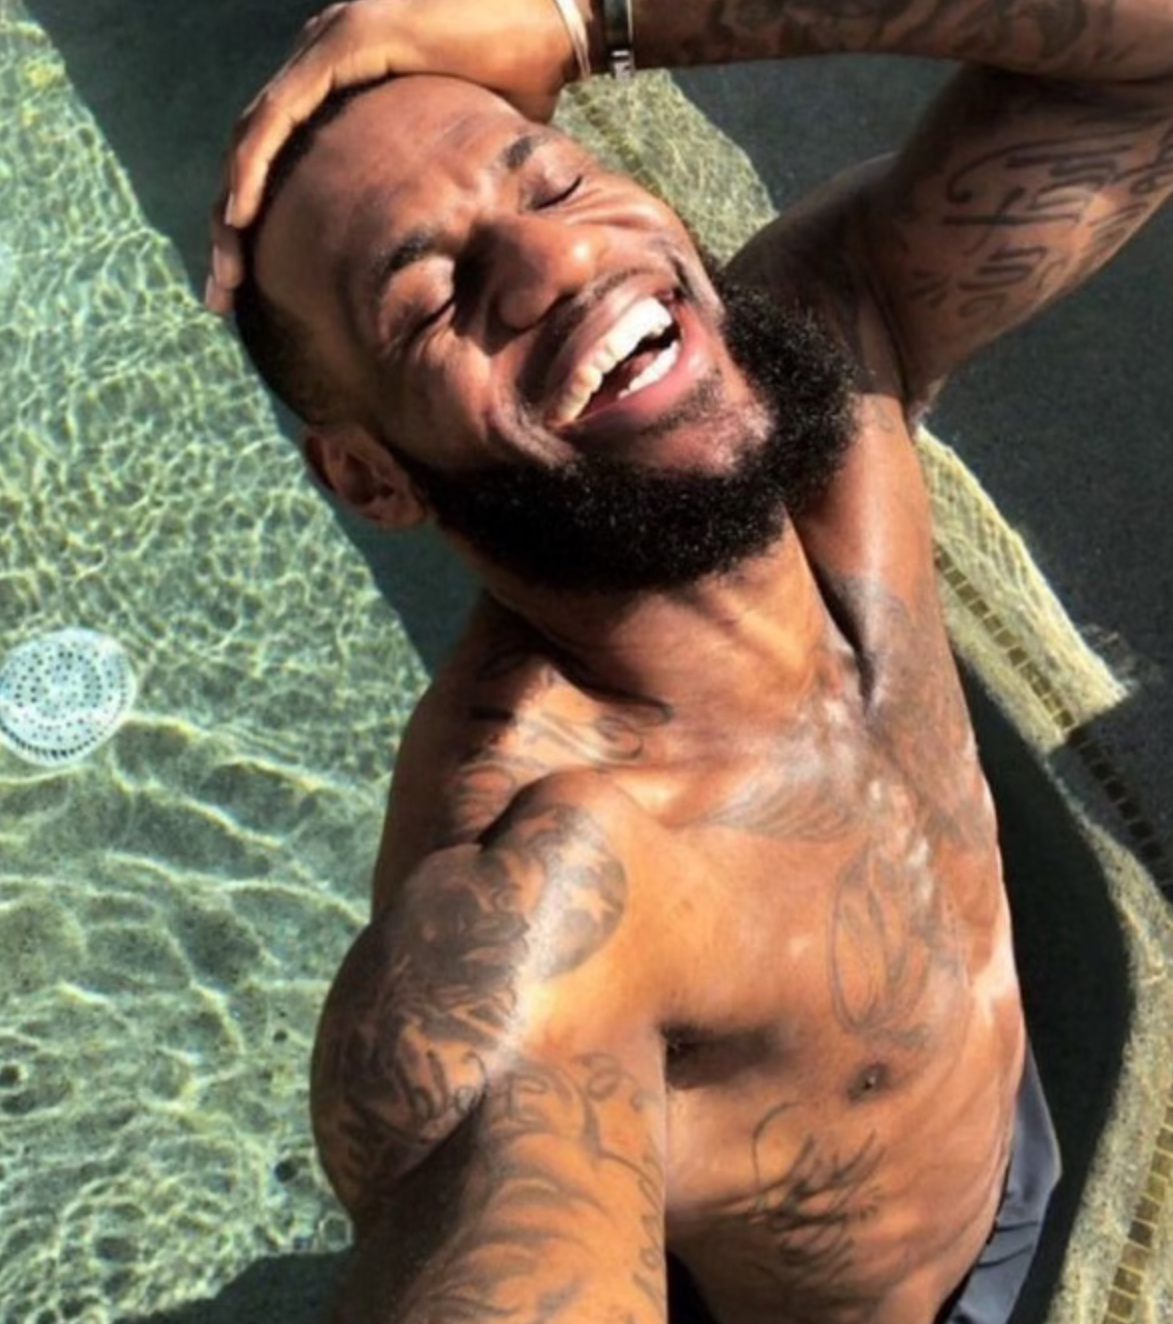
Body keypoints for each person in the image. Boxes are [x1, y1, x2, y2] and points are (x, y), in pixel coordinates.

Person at [207, 2, 1173, 1321]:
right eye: (431, 300)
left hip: (1014, 1121)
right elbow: (491, 1165)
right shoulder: (553, 886)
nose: (559, 263)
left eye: (555, 182)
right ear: (371, 477)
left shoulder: (833, 369)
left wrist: (587, 19)